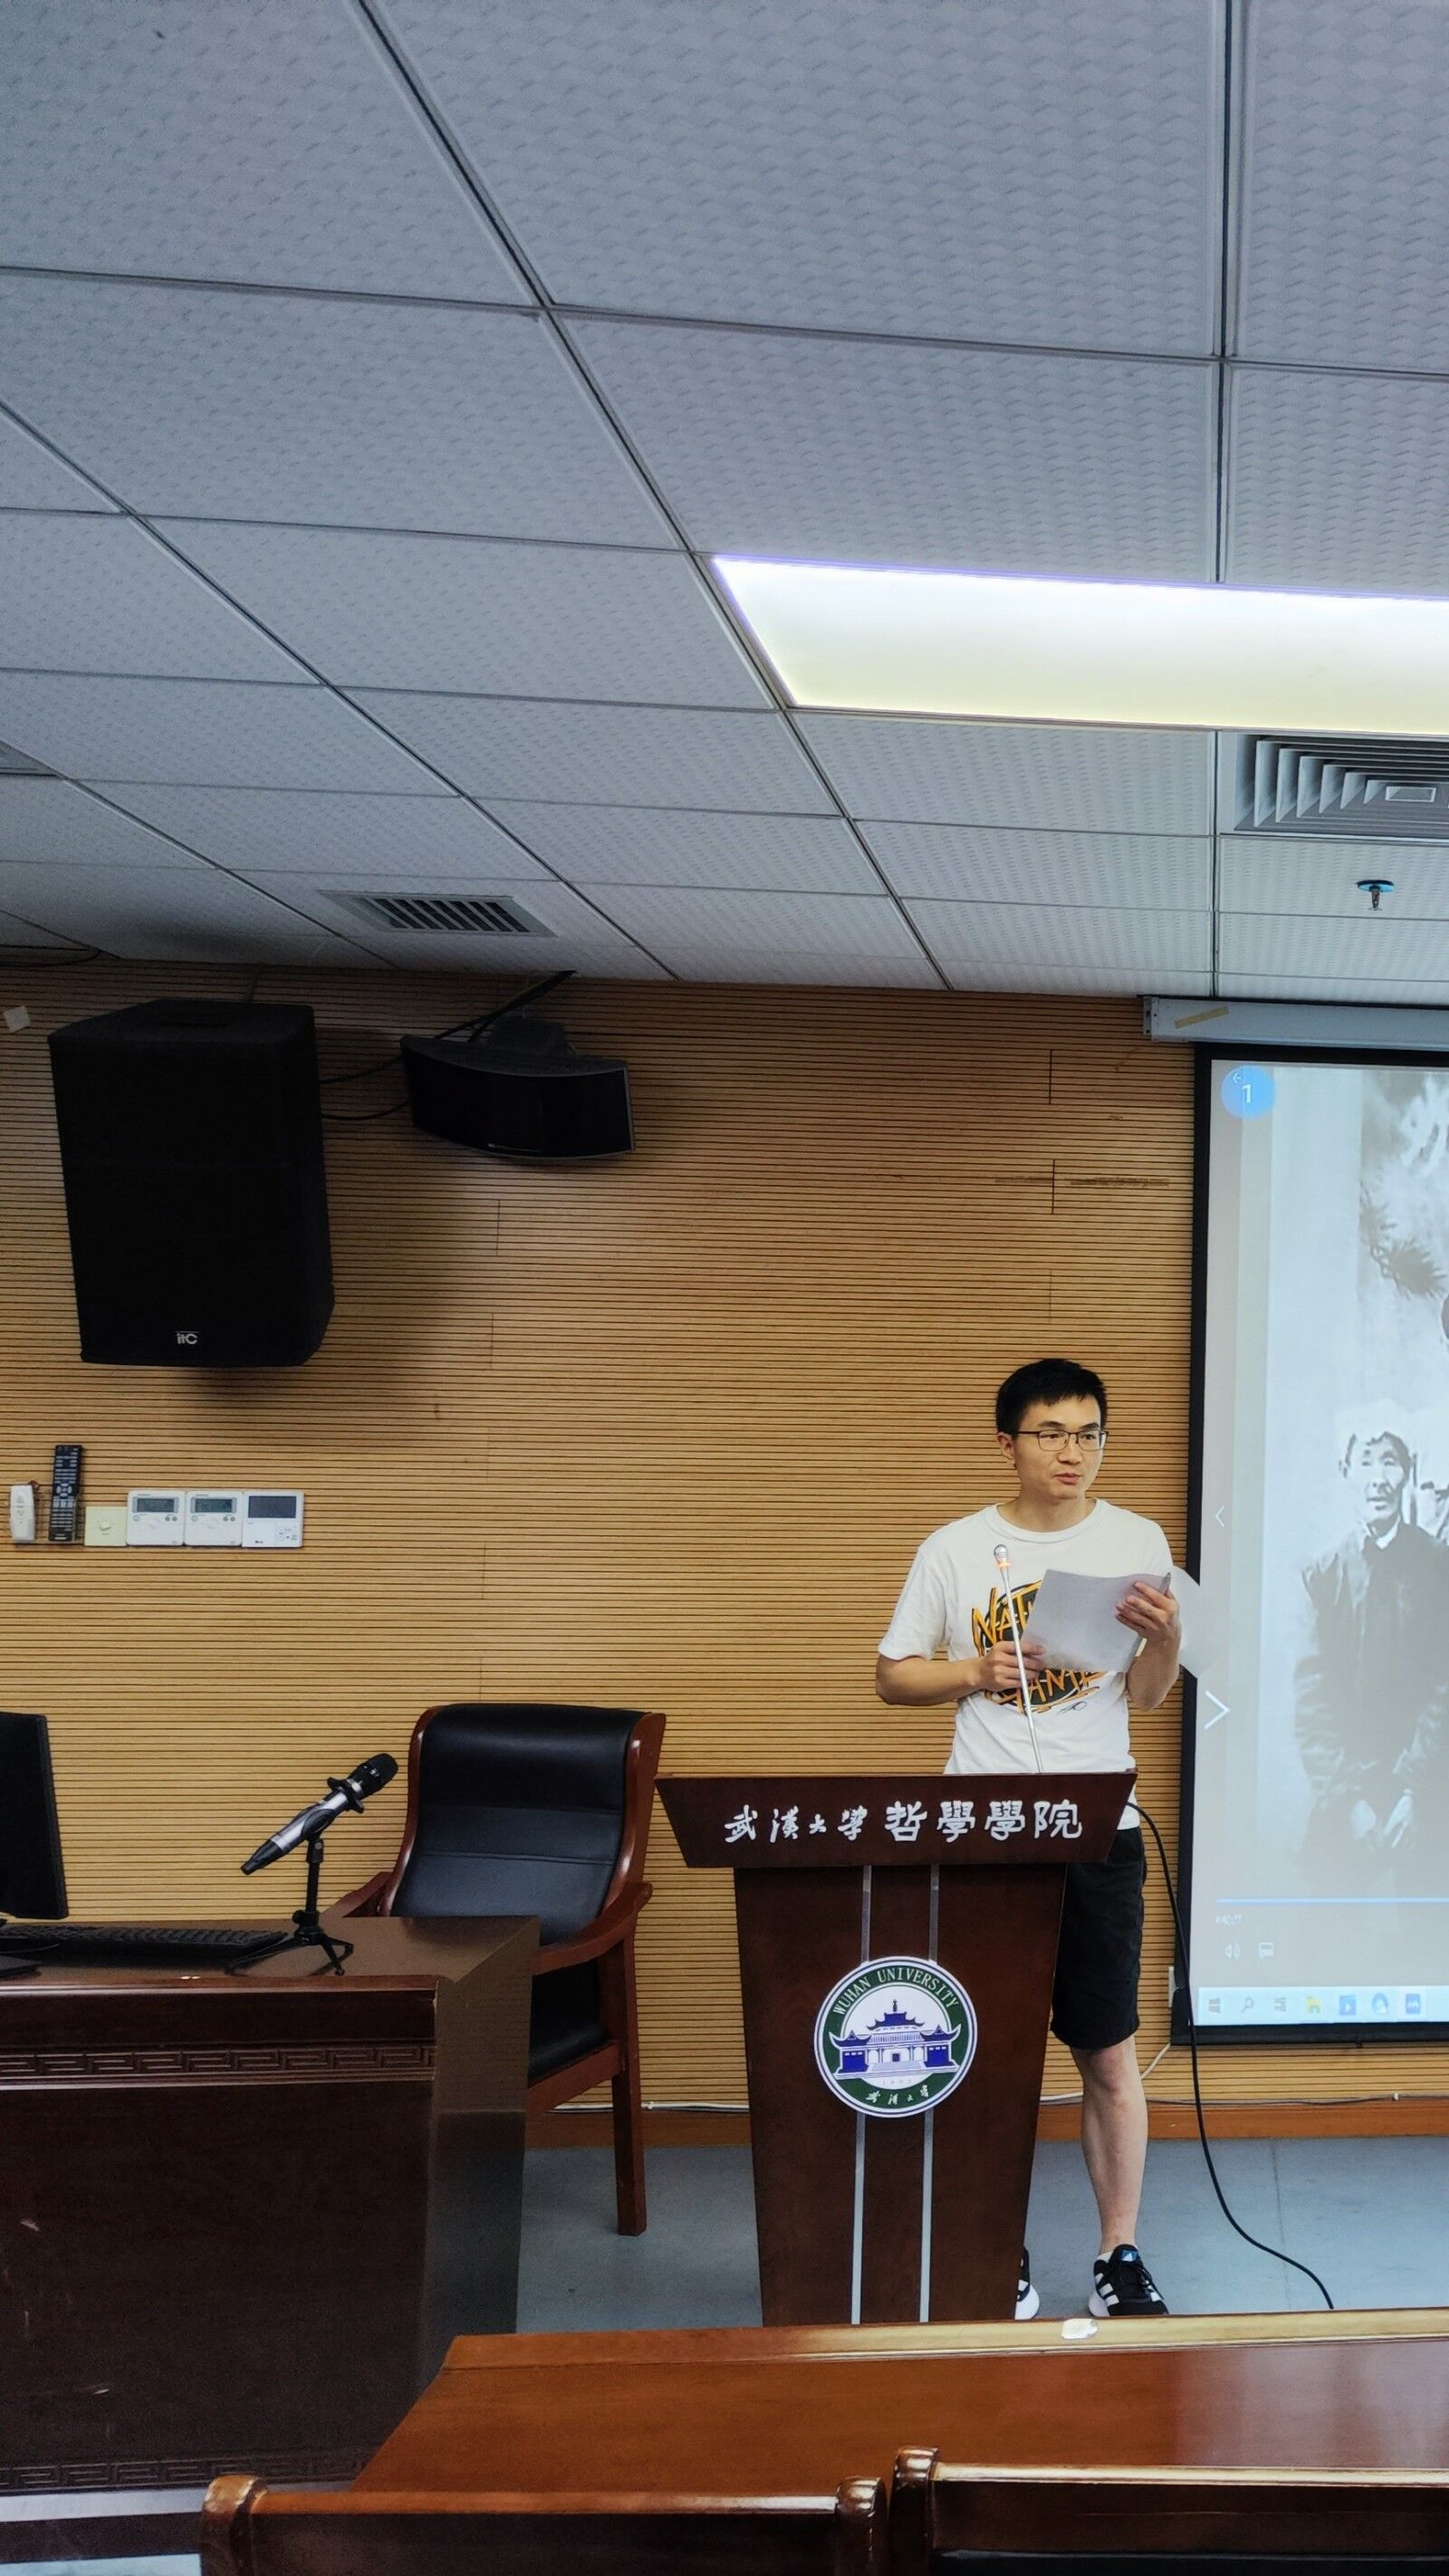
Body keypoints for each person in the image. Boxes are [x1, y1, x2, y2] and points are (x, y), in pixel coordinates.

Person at [875, 1356, 1180, 2323]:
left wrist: (1167, 1638)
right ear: (1007, 1443)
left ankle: (1119, 2253)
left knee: (1108, 2054)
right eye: (1051, 1433)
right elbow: (892, 1676)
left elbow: (1145, 1695)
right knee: (985, 2056)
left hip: (1099, 1829)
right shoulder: (956, 1548)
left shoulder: (1136, 1539)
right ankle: (991, 2249)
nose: (1071, 1453)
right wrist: (975, 1671)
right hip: (984, 1834)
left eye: (1088, 1434)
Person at [1294, 1420, 1449, 1892]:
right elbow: (1313, 1700)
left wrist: (1414, 1792)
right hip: (1346, 1792)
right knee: (1328, 1918)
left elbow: (1443, 1688)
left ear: (1408, 1471)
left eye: (1390, 1462)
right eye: (1366, 1462)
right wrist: (1351, 1802)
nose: (1378, 1479)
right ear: (1346, 1471)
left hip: (1427, 1788)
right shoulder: (1324, 1572)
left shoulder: (1438, 1565)